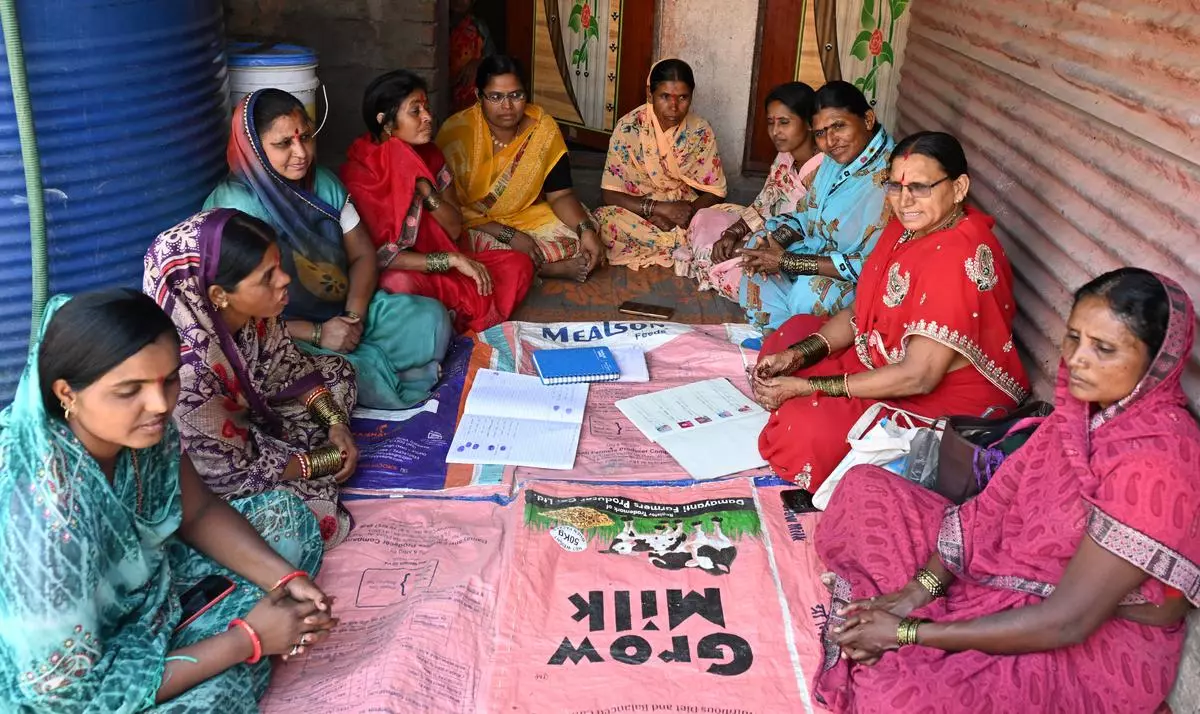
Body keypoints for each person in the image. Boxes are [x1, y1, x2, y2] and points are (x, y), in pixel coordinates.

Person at [814, 268, 1199, 713]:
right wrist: (921, 590)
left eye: (1104, 349)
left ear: (1157, 364)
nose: (1076, 360)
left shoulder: (1157, 465)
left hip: (1087, 639)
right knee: (865, 490)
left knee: (900, 695)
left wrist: (906, 632)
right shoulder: (1081, 415)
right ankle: (907, 621)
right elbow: (994, 506)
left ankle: (902, 636)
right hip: (1003, 571)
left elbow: (1067, 622)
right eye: (1073, 338)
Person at [0, 289, 338, 712]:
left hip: (149, 597)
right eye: (130, 390)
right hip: (64, 680)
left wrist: (285, 580)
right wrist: (246, 640)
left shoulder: (139, 429)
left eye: (169, 379)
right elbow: (68, 698)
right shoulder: (44, 525)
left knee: (286, 522)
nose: (160, 404)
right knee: (211, 701)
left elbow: (196, 510)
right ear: (67, 393)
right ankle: (241, 650)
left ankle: (243, 640)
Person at [752, 132, 1029, 491]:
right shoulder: (906, 229)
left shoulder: (958, 257)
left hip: (942, 397)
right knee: (793, 334)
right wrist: (797, 355)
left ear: (959, 188)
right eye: (895, 187)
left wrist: (806, 387)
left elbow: (919, 377)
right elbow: (860, 311)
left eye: (920, 187)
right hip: (884, 357)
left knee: (804, 431)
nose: (905, 201)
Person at [204, 88, 451, 410]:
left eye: (306, 137)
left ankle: (388, 367)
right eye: (283, 144)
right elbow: (231, 315)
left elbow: (362, 255)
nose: (301, 152)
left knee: (430, 319)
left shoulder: (322, 184)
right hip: (281, 333)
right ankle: (393, 374)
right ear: (252, 148)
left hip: (343, 313)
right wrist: (318, 334)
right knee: (353, 374)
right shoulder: (234, 209)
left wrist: (352, 318)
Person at [145, 208, 362, 547]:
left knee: (339, 373)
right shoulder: (188, 372)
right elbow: (231, 471)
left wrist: (336, 424)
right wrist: (325, 460)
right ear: (218, 295)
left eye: (278, 266)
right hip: (217, 477)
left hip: (254, 423)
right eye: (267, 277)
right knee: (309, 517)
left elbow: (289, 367)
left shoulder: (257, 314)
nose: (284, 279)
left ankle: (305, 452)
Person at [342, 69, 535, 333]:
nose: (428, 117)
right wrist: (451, 261)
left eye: (426, 108)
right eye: (415, 111)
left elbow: (454, 228)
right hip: (412, 270)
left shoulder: (430, 155)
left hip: (450, 265)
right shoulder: (361, 173)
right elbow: (381, 257)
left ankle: (447, 315)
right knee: (397, 283)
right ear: (385, 122)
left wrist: (425, 189)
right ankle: (449, 314)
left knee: (518, 264)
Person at [736, 81, 894, 331]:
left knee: (810, 293)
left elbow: (872, 266)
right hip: (811, 258)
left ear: (867, 119)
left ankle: (803, 342)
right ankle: (782, 337)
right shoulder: (835, 161)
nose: (831, 141)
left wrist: (789, 262)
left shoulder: (889, 177)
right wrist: (775, 242)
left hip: (863, 285)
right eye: (820, 133)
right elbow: (803, 216)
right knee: (756, 252)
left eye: (839, 126)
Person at [436, 55, 604, 282]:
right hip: (474, 225)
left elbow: (560, 195)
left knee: (585, 229)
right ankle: (547, 269)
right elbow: (448, 208)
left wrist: (585, 231)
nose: (507, 106)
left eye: (516, 95)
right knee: (453, 241)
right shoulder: (455, 132)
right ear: (478, 96)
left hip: (525, 216)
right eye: (495, 97)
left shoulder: (543, 130)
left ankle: (525, 266)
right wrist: (508, 234)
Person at [679, 82, 823, 297]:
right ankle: (723, 263)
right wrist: (732, 233)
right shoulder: (785, 157)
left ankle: (722, 267)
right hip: (763, 231)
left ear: (810, 123)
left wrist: (757, 245)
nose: (775, 132)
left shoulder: (825, 167)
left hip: (793, 250)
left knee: (753, 278)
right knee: (705, 217)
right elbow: (764, 204)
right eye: (771, 123)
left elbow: (811, 227)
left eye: (784, 122)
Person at [595, 59, 728, 270]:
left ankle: (675, 241)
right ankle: (685, 246)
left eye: (682, 98)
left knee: (729, 219)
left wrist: (681, 215)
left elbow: (716, 192)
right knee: (604, 221)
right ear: (650, 95)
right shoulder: (628, 127)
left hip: (683, 207)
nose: (674, 107)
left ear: (692, 96)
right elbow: (610, 193)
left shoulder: (700, 130)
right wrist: (658, 209)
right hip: (639, 210)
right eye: (665, 96)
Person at [449, 0, 496, 113]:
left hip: (472, 102)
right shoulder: (439, 27)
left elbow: (493, 60)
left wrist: (477, 64)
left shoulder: (479, 27)